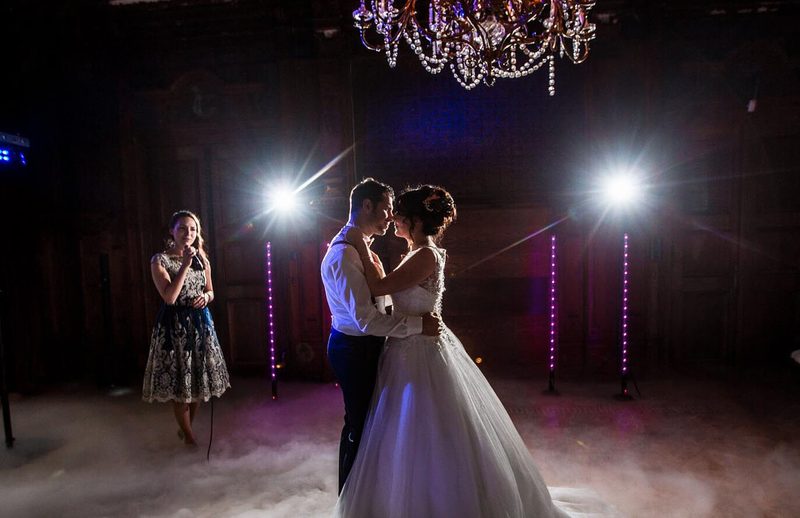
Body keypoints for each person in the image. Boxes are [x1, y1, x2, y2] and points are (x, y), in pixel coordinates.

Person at [335, 185, 612, 517]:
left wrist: (358, 244)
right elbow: (387, 286)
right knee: (406, 430)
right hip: (407, 347)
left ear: (415, 220)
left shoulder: (424, 254)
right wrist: (369, 254)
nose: (394, 220)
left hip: (419, 351)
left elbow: (380, 288)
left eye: (399, 215)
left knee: (427, 427)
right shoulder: (417, 253)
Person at [321, 178, 441, 494]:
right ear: (367, 206)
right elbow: (365, 320)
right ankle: (348, 500)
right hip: (354, 347)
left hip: (373, 344)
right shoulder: (346, 254)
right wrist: (417, 326)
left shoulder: (362, 248)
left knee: (377, 424)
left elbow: (381, 299)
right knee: (358, 425)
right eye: (387, 209)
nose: (390, 217)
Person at [142, 210, 230, 446]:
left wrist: (207, 297)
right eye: (182, 228)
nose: (187, 233)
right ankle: (190, 439)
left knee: (197, 384)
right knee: (181, 384)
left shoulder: (203, 258)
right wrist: (184, 265)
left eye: (192, 229)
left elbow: (210, 290)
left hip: (200, 324)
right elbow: (169, 297)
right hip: (174, 326)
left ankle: (186, 430)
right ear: (172, 231)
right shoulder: (159, 260)